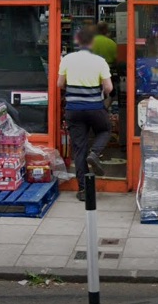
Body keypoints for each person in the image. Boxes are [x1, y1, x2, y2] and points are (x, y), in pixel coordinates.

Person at [58, 26, 112, 201]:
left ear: (77, 41)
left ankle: (83, 191)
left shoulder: (67, 59)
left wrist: (73, 92)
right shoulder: (99, 61)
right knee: (104, 130)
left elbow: (60, 84)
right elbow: (109, 87)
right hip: (95, 108)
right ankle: (95, 153)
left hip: (73, 110)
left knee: (79, 149)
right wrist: (101, 94)